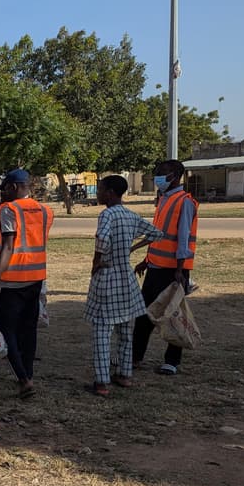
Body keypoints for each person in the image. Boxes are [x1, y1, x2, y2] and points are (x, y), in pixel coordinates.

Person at [85, 175, 164, 396]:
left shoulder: (107, 214)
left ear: (110, 192)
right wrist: (132, 248)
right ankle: (124, 374)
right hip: (126, 279)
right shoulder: (130, 215)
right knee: (125, 331)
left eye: (100, 189)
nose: (98, 193)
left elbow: (101, 239)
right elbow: (156, 233)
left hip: (107, 277)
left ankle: (101, 382)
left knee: (102, 331)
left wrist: (96, 262)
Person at [0, 169, 53, 399]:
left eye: (4, 188)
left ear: (14, 187)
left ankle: (23, 379)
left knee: (7, 329)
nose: (2, 192)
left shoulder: (8, 209)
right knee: (28, 328)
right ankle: (29, 373)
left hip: (12, 279)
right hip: (36, 278)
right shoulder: (45, 211)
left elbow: (9, 246)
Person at [133, 159, 198, 376]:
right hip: (155, 268)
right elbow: (158, 235)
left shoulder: (184, 202)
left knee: (173, 316)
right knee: (144, 314)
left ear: (176, 176)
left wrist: (179, 270)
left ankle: (171, 361)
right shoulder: (163, 200)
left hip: (173, 271)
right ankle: (135, 357)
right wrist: (147, 259)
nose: (158, 177)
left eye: (163, 173)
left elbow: (183, 238)